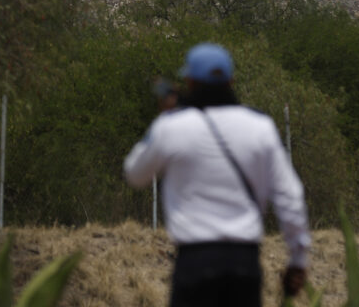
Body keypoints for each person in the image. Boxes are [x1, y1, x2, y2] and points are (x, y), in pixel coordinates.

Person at [124, 43, 310, 307]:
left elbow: (134, 174)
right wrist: (298, 258)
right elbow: (289, 196)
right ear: (232, 81)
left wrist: (162, 121)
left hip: (194, 261)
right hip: (244, 262)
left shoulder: (172, 126)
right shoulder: (261, 127)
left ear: (188, 81)